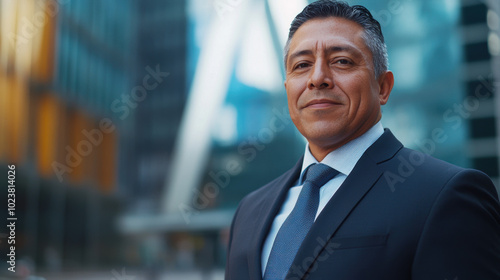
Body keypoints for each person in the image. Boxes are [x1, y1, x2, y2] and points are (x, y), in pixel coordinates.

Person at [224, 0, 500, 279]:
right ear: (288, 89)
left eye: (342, 61)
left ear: (383, 87)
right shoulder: (250, 210)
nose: (317, 78)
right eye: (302, 64)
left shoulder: (445, 194)